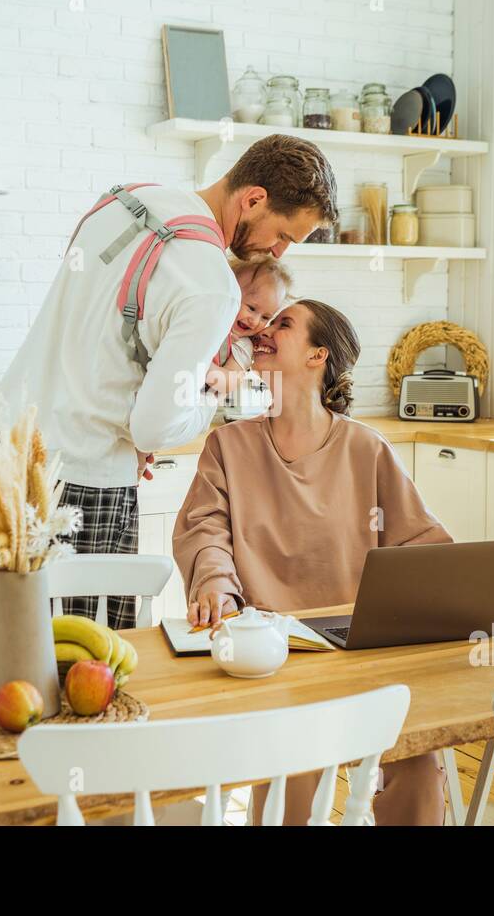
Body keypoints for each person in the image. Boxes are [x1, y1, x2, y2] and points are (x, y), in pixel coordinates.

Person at [0, 135, 337, 630]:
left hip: (16, 457)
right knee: (89, 660)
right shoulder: (209, 283)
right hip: (87, 479)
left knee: (22, 646)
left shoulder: (122, 201)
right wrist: (210, 394)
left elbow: (99, 340)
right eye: (284, 235)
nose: (279, 250)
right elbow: (153, 430)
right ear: (254, 199)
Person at [172, 299, 453, 825]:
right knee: (291, 763)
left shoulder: (366, 449)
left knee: (417, 756)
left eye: (284, 324)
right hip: (270, 653)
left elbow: (421, 542)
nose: (263, 330)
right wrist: (214, 581)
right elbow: (205, 528)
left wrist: (448, 594)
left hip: (359, 652)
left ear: (318, 354)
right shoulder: (227, 445)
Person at [216, 256, 292, 374]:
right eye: (251, 308)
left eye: (265, 317)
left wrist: (204, 365)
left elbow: (227, 381)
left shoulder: (244, 345)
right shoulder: (210, 316)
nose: (255, 321)